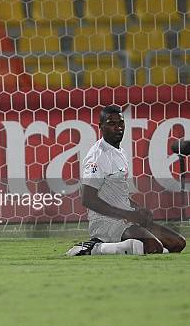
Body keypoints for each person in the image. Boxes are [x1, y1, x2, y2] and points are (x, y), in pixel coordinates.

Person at [66, 106, 186, 256]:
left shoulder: (119, 152)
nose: (118, 128)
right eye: (111, 123)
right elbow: (88, 199)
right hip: (106, 222)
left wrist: (137, 209)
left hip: (125, 218)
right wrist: (127, 214)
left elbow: (117, 194)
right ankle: (94, 247)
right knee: (153, 247)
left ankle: (131, 247)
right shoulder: (97, 156)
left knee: (178, 243)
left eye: (121, 123)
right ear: (101, 127)